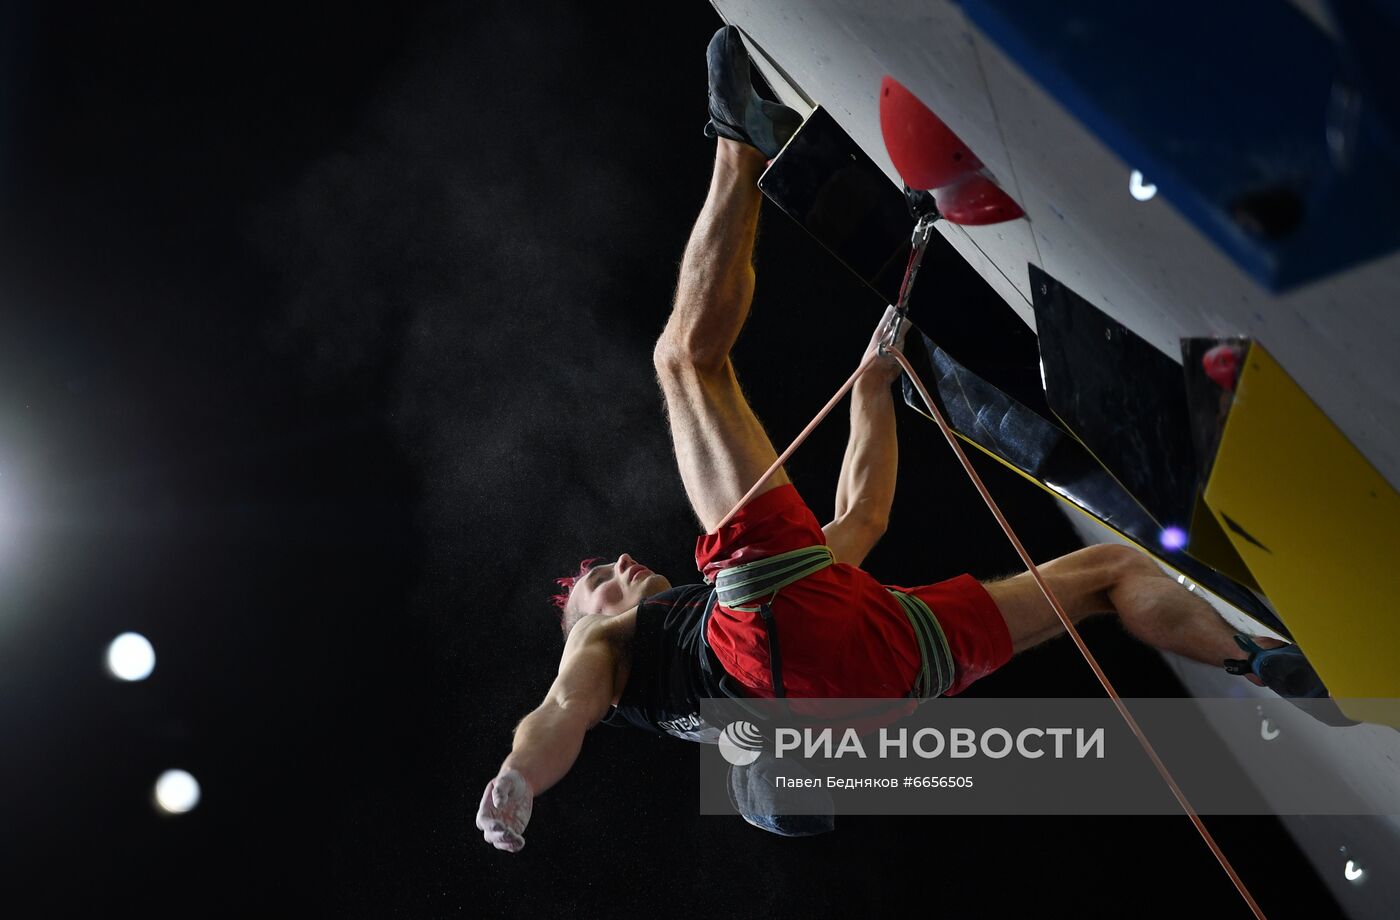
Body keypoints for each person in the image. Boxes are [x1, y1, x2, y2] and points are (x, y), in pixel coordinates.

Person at [476, 24, 1312, 853]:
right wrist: (518, 781)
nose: (611, 569)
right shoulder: (601, 651)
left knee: (1108, 572)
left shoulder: (718, 622)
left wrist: (872, 390)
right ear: (578, 620)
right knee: (685, 363)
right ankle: (740, 143)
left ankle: (1252, 657)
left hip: (886, 675)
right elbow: (558, 715)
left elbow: (863, 517)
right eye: (594, 581)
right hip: (778, 662)